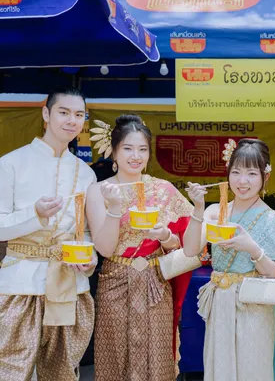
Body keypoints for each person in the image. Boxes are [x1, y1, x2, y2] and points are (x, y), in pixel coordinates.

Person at [0, 87, 97, 381]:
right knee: (11, 370)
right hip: (21, 282)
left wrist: (90, 259)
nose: (71, 120)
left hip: (69, 284)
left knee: (62, 372)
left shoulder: (86, 173)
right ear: (46, 114)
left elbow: (85, 231)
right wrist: (34, 215)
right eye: (63, 112)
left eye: (79, 115)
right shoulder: (11, 163)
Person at [85, 114, 193, 380]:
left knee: (157, 363)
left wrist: (166, 236)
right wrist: (114, 208)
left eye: (142, 149)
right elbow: (105, 249)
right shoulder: (98, 191)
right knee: (114, 360)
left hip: (155, 284)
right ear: (114, 151)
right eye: (128, 148)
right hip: (115, 282)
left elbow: (185, 245)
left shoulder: (164, 190)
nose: (136, 156)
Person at [183, 139, 275, 381]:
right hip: (220, 306)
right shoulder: (215, 212)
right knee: (219, 371)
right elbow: (190, 249)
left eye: (251, 173)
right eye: (236, 172)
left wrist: (253, 249)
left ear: (265, 176)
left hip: (255, 308)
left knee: (253, 371)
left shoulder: (270, 218)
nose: (242, 181)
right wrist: (198, 207)